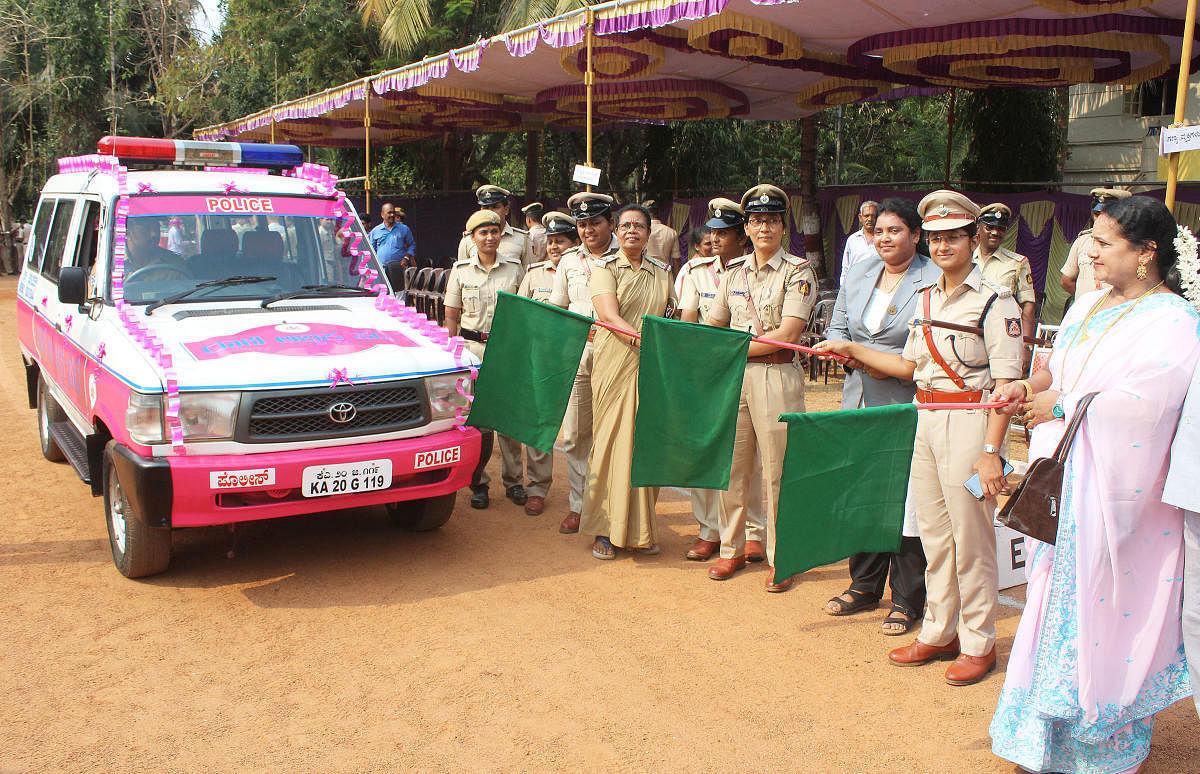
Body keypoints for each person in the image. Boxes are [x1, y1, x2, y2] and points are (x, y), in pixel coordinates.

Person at [988, 197, 1200, 773]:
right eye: (1090, 237)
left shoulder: (1176, 322)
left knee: (1112, 605)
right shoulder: (1085, 305)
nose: (1091, 250)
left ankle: (1104, 743)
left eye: (1105, 242)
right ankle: (1044, 737)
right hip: (1063, 480)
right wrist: (1024, 387)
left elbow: (1149, 406)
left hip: (1123, 495)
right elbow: (1055, 368)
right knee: (1051, 595)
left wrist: (1062, 402)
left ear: (1147, 253)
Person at [817, 190, 1023, 685]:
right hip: (924, 418)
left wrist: (992, 451)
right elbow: (910, 366)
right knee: (932, 534)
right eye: (937, 236)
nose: (944, 244)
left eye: (954, 235)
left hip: (972, 423)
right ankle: (938, 630)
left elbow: (1006, 386)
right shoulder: (927, 297)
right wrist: (851, 348)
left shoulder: (997, 300)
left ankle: (979, 640)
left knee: (970, 538)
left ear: (974, 239)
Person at [823, 197, 939, 635]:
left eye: (895, 231)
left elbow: (921, 348)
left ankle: (908, 599)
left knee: (907, 500)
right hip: (858, 398)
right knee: (865, 492)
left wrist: (865, 355)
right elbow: (838, 327)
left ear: (915, 235)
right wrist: (847, 353)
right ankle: (863, 585)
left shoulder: (932, 278)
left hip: (907, 401)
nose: (884, 238)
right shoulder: (860, 271)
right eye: (878, 231)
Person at [705, 184, 817, 589]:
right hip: (735, 381)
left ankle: (781, 555)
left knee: (778, 471)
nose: (764, 227)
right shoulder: (733, 273)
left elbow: (787, 334)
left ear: (783, 227)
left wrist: (730, 350)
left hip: (777, 375)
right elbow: (714, 324)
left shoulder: (798, 271)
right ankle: (731, 550)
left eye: (771, 220)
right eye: (756, 221)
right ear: (747, 228)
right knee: (732, 469)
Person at [583, 203, 676, 560]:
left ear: (649, 233)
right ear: (616, 232)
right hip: (615, 361)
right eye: (625, 225)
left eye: (639, 225)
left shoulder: (662, 273)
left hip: (652, 366)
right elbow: (608, 314)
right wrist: (642, 339)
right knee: (609, 442)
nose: (631, 230)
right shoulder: (604, 268)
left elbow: (674, 316)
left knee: (643, 442)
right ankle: (604, 530)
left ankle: (640, 530)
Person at [677, 198, 766, 562]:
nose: (714, 239)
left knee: (750, 456)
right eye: (712, 232)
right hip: (706, 368)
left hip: (747, 366)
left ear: (741, 237)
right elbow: (688, 318)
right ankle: (708, 529)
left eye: (724, 233)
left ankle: (753, 532)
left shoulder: (755, 270)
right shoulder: (695, 271)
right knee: (707, 449)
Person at [444, 209, 526, 510]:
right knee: (475, 421)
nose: (490, 237)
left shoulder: (515, 269)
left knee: (508, 419)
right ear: (472, 238)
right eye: (483, 233)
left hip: (505, 349)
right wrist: (450, 354)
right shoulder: (461, 270)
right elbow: (451, 315)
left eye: (494, 232)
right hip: (470, 350)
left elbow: (523, 313)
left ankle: (514, 482)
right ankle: (478, 483)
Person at [550, 192, 618, 535]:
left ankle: (610, 507)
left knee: (614, 432)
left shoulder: (629, 255)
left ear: (611, 222)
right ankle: (579, 504)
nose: (588, 230)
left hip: (617, 353)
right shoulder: (568, 261)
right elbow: (559, 308)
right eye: (582, 224)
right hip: (579, 351)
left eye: (595, 222)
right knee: (576, 433)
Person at [512, 211, 574, 517]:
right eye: (550, 241)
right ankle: (537, 488)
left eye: (560, 241)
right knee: (539, 423)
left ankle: (586, 494)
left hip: (576, 358)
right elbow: (523, 316)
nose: (553, 247)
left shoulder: (585, 272)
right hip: (542, 359)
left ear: (574, 244)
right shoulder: (534, 274)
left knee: (579, 431)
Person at [975, 203, 1037, 364]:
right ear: (978, 228)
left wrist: (1026, 346)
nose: (995, 232)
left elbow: (1028, 305)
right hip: (968, 334)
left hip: (1003, 337)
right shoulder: (964, 259)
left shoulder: (1017, 262)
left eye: (1001, 229)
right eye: (989, 227)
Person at [1061, 187, 1132, 302]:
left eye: (1107, 214)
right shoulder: (1083, 240)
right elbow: (1066, 281)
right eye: (1097, 214)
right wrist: (1087, 301)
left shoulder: (1130, 243)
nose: (1100, 219)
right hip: (1086, 313)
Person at [456, 185, 533, 268]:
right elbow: (462, 273)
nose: (490, 212)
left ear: (506, 210)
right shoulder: (468, 240)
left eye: (495, 207)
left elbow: (529, 275)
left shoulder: (522, 239)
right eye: (485, 207)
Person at [840, 200, 879, 289]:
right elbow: (845, 267)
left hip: (877, 288)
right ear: (860, 218)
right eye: (866, 216)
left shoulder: (884, 240)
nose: (869, 219)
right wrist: (843, 288)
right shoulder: (852, 240)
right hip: (855, 287)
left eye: (873, 216)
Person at [370, 203, 416, 268]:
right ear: (382, 215)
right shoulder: (375, 231)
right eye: (389, 213)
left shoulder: (404, 229)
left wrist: (406, 258)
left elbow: (412, 245)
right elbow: (371, 250)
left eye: (393, 212)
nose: (392, 215)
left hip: (399, 269)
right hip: (382, 270)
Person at [644, 200, 682, 273]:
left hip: (645, 274)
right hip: (665, 273)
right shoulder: (671, 232)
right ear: (659, 213)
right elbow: (676, 261)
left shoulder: (640, 231)